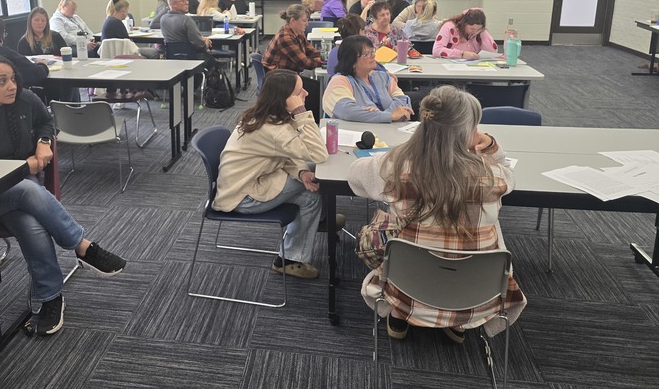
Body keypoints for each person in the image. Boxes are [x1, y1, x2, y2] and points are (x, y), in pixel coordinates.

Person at [0, 55, 127, 336]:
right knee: (27, 188)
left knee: (31, 224)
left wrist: (43, 142)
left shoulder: (24, 100)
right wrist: (20, 168)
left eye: (13, 79)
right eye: (1, 81)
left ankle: (50, 297)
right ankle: (81, 246)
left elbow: (45, 122)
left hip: (21, 194)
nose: (11, 86)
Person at [347, 85, 525, 342]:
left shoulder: (394, 166)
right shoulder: (492, 176)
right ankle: (457, 320)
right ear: (466, 133)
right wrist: (491, 147)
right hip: (476, 295)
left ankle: (400, 313)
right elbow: (508, 171)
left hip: (406, 287)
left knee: (399, 224)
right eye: (474, 127)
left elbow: (355, 177)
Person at [215, 69, 328, 279]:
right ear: (284, 98)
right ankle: (317, 225)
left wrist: (300, 171)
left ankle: (289, 258)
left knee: (311, 195)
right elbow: (320, 154)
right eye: (298, 92)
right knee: (319, 170)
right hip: (244, 198)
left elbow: (283, 154)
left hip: (248, 184)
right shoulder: (273, 130)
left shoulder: (266, 116)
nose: (305, 94)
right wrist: (302, 112)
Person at [323, 35, 413, 123]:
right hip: (356, 134)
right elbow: (348, 111)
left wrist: (381, 115)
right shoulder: (340, 81)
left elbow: (403, 100)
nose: (373, 56)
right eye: (366, 54)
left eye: (372, 51)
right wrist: (390, 116)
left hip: (390, 131)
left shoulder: (383, 77)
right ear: (351, 61)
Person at [262, 4, 322, 122]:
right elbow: (305, 63)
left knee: (316, 88)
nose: (307, 24)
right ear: (293, 20)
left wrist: (317, 58)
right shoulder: (285, 37)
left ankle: (310, 123)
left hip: (289, 75)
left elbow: (312, 51)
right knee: (315, 91)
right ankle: (307, 124)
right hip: (277, 80)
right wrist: (320, 61)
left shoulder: (298, 32)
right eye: (304, 20)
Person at [161, 0, 217, 69]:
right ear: (174, 5)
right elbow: (199, 45)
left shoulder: (163, 19)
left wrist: (200, 39)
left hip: (172, 59)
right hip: (192, 59)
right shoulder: (186, 20)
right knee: (212, 60)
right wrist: (206, 43)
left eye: (186, 0)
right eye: (182, 1)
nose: (187, 3)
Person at [433, 8, 497, 60]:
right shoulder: (449, 27)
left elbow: (492, 52)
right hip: (449, 66)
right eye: (472, 29)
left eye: (478, 29)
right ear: (464, 23)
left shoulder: (480, 32)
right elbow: (437, 50)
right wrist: (462, 54)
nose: (475, 32)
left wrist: (483, 32)